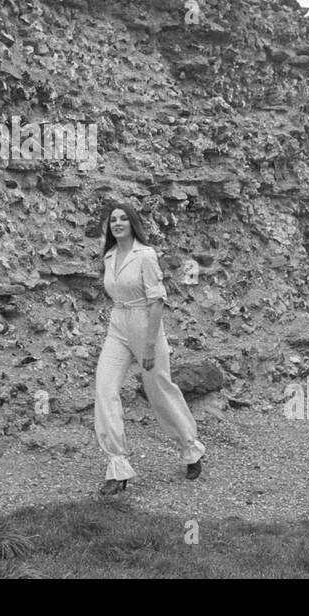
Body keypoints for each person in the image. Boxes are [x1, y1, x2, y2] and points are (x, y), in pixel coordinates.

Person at [94, 201, 206, 495]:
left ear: (132, 223)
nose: (117, 223)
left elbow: (157, 300)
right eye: (113, 220)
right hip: (117, 325)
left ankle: (191, 448)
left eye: (123, 219)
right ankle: (117, 467)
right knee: (105, 390)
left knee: (159, 390)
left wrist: (147, 345)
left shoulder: (145, 255)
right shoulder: (108, 255)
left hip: (146, 326)